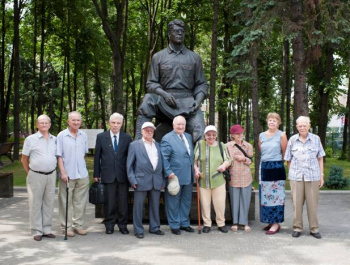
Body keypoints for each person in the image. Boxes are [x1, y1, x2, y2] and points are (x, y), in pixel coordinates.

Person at [136, 19, 208, 143]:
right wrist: (164, 94)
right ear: (169, 34)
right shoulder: (158, 57)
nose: (179, 33)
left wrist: (198, 100)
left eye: (182, 31)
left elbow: (201, 84)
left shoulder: (194, 58)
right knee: (147, 100)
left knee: (199, 128)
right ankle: (138, 144)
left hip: (187, 102)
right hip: (164, 101)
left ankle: (199, 160)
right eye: (176, 31)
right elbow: (150, 84)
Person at [284, 116, 325, 239]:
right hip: (296, 177)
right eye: (300, 126)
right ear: (296, 127)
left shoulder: (316, 139)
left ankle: (314, 228)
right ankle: (297, 228)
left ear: (309, 126)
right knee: (297, 204)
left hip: (313, 176)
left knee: (312, 204)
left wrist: (321, 175)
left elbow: (320, 158)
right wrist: (292, 173)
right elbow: (288, 159)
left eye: (304, 125)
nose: (302, 127)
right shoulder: (292, 140)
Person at [93, 113, 132, 235]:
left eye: (118, 123)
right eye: (113, 123)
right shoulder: (101, 137)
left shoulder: (127, 138)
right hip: (107, 174)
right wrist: (96, 173)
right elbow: (97, 156)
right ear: (109, 123)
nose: (115, 125)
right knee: (109, 202)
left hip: (123, 175)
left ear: (122, 124)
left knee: (123, 202)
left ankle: (123, 225)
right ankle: (109, 225)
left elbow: (130, 158)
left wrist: (131, 175)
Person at [21, 115, 57, 241]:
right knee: (35, 203)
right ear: (37, 125)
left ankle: (47, 229)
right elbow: (24, 159)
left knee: (49, 202)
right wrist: (30, 172)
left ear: (50, 124)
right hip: (36, 175)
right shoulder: (31, 139)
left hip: (51, 175)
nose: (44, 125)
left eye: (46, 122)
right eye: (41, 123)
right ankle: (36, 230)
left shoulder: (55, 139)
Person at [127, 122, 165, 239]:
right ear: (142, 131)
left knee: (155, 205)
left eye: (151, 130)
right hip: (140, 180)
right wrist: (132, 180)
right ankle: (138, 229)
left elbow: (161, 164)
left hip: (156, 180)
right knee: (138, 207)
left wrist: (163, 180)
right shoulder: (134, 145)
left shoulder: (158, 145)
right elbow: (129, 165)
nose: (149, 132)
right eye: (147, 130)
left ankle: (155, 227)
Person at [57, 111, 89, 237]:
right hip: (67, 175)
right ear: (68, 121)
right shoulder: (61, 136)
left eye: (78, 120)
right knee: (65, 202)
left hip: (82, 174)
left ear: (80, 122)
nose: (76, 122)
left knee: (80, 202)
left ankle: (78, 225)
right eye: (73, 120)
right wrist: (63, 172)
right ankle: (66, 227)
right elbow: (59, 156)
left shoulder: (83, 135)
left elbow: (83, 154)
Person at [161, 115, 194, 235]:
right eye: (178, 124)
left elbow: (190, 155)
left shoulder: (188, 137)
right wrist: (169, 172)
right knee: (173, 201)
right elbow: (164, 158)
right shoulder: (167, 138)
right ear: (173, 125)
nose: (181, 126)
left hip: (188, 175)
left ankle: (184, 223)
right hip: (174, 176)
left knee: (186, 201)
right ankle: (174, 224)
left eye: (183, 124)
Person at [193, 125, 230, 233]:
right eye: (208, 135)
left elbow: (228, 159)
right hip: (203, 180)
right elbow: (194, 161)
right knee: (205, 204)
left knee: (220, 204)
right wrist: (196, 170)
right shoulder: (200, 145)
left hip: (218, 180)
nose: (211, 137)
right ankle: (207, 224)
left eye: (213, 135)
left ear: (216, 135)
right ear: (205, 135)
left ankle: (221, 224)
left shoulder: (221, 146)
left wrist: (224, 166)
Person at [259, 113, 288, 235]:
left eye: (274, 120)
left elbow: (284, 153)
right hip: (265, 167)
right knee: (266, 197)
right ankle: (270, 221)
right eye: (270, 120)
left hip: (276, 166)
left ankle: (276, 223)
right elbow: (262, 152)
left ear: (278, 122)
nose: (272, 122)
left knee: (277, 196)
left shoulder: (282, 135)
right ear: (267, 122)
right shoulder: (261, 135)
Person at [226, 124, 253, 232]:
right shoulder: (227, 146)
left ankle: (244, 222)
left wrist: (244, 159)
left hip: (246, 177)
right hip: (233, 176)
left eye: (241, 133)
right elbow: (225, 160)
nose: (240, 135)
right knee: (234, 200)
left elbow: (250, 161)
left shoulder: (248, 146)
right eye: (237, 133)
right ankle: (235, 222)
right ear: (232, 135)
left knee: (245, 200)